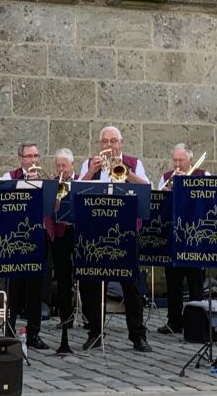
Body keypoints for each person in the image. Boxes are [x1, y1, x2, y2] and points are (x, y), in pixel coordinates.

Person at [77, 126, 152, 353]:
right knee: (92, 284)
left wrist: (125, 172)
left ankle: (137, 336)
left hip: (126, 231)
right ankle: (95, 333)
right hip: (96, 231)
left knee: (132, 286)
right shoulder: (90, 163)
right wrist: (91, 171)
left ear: (121, 143)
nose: (109, 146)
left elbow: (146, 188)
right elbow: (77, 191)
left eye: (113, 141)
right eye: (105, 142)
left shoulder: (133, 162)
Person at [0, 142, 50, 349]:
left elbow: (53, 206)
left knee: (35, 289)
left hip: (38, 236)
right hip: (15, 239)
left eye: (36, 156)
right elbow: (1, 203)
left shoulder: (45, 179)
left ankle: (33, 334)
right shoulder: (8, 177)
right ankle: (9, 330)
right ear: (20, 158)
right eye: (28, 156)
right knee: (14, 287)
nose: (33, 160)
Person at [155, 144, 207, 335]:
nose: (177, 164)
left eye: (181, 160)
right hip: (174, 235)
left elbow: (208, 203)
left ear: (190, 160)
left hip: (194, 237)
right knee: (173, 281)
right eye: (175, 160)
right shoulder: (167, 177)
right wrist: (167, 192)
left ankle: (198, 322)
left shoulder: (203, 174)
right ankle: (174, 321)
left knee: (195, 283)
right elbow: (160, 203)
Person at [51, 148, 78, 330]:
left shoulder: (81, 181)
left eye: (64, 165)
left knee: (84, 275)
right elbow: (51, 210)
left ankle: (87, 317)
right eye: (58, 165)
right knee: (62, 276)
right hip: (61, 233)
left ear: (72, 165)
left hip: (78, 233)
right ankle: (66, 317)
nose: (61, 169)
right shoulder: (53, 183)